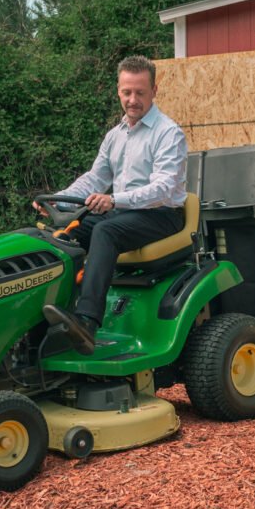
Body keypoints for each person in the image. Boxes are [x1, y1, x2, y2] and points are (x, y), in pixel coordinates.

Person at [41, 55, 187, 354]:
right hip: (122, 213)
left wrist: (114, 199)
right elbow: (96, 178)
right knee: (60, 237)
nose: (133, 100)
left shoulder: (168, 133)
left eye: (140, 92)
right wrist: (58, 200)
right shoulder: (115, 135)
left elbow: (162, 189)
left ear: (154, 90)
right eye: (127, 92)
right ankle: (52, 316)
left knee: (105, 232)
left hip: (161, 215)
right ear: (118, 91)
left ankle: (87, 322)